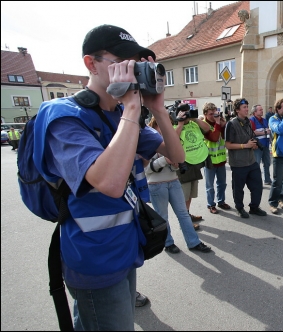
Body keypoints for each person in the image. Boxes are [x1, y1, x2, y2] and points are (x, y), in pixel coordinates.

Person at [32, 24, 185, 330]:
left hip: (125, 248)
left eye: (137, 63)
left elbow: (176, 155)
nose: (133, 69)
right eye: (123, 61)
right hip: (94, 260)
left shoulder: (119, 115)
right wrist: (130, 106)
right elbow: (112, 184)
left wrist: (157, 108)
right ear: (91, 63)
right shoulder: (62, 116)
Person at [145, 116, 211, 254]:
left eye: (168, 125)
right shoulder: (148, 141)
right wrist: (165, 160)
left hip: (174, 181)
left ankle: (194, 242)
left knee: (183, 214)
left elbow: (178, 164)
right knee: (163, 217)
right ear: (155, 125)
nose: (164, 129)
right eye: (161, 126)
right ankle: (168, 243)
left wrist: (176, 164)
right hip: (157, 184)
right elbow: (146, 170)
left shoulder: (172, 141)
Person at [224, 98, 267, 218]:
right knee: (238, 188)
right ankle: (239, 208)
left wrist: (253, 145)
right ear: (237, 110)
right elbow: (227, 145)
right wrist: (245, 145)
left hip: (251, 160)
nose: (247, 109)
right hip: (238, 163)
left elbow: (251, 136)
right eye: (244, 107)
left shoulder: (248, 122)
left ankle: (254, 207)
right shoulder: (231, 124)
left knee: (257, 185)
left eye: (247, 107)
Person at [174, 105, 212, 222]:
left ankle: (187, 214)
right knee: (183, 195)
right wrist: (180, 124)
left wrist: (195, 118)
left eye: (187, 113)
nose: (186, 115)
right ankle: (184, 221)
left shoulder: (194, 123)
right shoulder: (174, 126)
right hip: (185, 164)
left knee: (190, 194)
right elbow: (173, 140)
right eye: (184, 113)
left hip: (195, 163)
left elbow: (207, 129)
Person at [202, 102, 231, 214]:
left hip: (221, 159)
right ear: (205, 114)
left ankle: (221, 201)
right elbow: (213, 138)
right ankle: (211, 204)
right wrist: (218, 123)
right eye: (211, 114)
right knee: (210, 186)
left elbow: (225, 136)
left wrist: (224, 124)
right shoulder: (203, 125)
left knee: (222, 184)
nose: (214, 116)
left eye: (215, 114)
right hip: (209, 161)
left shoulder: (218, 122)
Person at [250, 104, 272, 185]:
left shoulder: (264, 120)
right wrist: (265, 132)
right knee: (257, 164)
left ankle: (267, 179)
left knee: (267, 163)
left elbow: (268, 131)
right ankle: (257, 182)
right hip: (257, 146)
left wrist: (271, 141)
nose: (262, 111)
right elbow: (253, 132)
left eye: (262, 109)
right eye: (260, 110)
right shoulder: (251, 120)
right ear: (255, 112)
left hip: (265, 145)